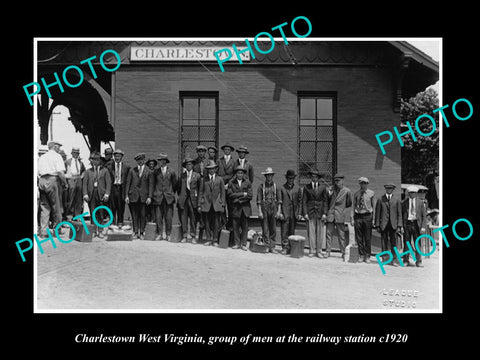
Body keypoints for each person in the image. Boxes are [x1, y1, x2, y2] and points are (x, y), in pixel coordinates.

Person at [37, 140, 67, 237]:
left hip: (42, 180)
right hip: (52, 180)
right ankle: (57, 229)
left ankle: (43, 231)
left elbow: (37, 171)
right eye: (58, 147)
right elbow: (61, 173)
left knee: (44, 208)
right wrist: (65, 183)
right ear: (55, 147)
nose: (59, 149)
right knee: (56, 207)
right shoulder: (57, 156)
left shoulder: (42, 157)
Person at [82, 151, 111, 238]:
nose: (95, 161)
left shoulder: (105, 171)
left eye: (97, 160)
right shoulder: (88, 171)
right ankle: (94, 230)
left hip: (101, 194)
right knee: (93, 213)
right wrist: (85, 194)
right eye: (94, 160)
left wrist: (107, 194)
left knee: (101, 213)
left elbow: (108, 183)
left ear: (100, 161)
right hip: (92, 194)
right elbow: (84, 184)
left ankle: (101, 230)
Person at [125, 153, 153, 239]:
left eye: (141, 160)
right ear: (136, 161)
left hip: (144, 197)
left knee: (143, 215)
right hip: (133, 196)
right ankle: (135, 231)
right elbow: (128, 183)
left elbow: (150, 185)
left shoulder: (148, 171)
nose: (140, 162)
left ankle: (141, 232)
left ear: (144, 160)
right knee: (134, 215)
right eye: (138, 160)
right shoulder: (132, 170)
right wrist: (126, 196)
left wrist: (149, 197)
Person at [302, 169, 329, 258]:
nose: (314, 178)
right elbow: (304, 201)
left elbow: (325, 201)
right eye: (312, 177)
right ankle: (312, 250)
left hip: (320, 213)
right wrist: (305, 213)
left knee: (320, 232)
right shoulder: (306, 187)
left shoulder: (323, 187)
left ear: (318, 178)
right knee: (311, 232)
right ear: (311, 177)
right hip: (310, 212)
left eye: (316, 177)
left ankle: (319, 251)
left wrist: (325, 213)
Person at [198, 160, 226, 246]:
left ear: (216, 169)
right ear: (207, 170)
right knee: (206, 222)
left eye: (213, 169)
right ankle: (208, 239)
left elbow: (222, 192)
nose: (211, 170)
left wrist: (223, 204)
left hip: (216, 204)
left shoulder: (220, 179)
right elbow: (201, 192)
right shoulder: (204, 180)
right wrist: (199, 204)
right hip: (206, 204)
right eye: (210, 169)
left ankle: (215, 239)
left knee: (216, 222)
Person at [325, 173, 353, 259]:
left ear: (342, 181)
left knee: (341, 235)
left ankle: (343, 252)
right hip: (331, 215)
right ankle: (328, 251)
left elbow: (349, 203)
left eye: (339, 181)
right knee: (328, 234)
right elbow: (326, 201)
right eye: (336, 181)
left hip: (340, 215)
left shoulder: (347, 191)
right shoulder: (330, 190)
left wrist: (341, 210)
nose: (337, 183)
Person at [375, 183, 402, 267]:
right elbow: (377, 213)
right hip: (384, 224)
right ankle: (385, 259)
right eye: (387, 189)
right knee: (384, 242)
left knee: (394, 243)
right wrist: (377, 225)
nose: (389, 190)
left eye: (390, 189)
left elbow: (399, 213)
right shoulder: (380, 199)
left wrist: (399, 225)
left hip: (393, 224)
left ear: (393, 190)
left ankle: (394, 260)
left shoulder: (396, 200)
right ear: (385, 189)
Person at [152, 153, 177, 241]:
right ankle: (159, 234)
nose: (159, 162)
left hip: (168, 198)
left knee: (169, 217)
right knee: (158, 217)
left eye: (160, 160)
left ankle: (168, 234)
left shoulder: (172, 172)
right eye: (158, 161)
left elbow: (174, 185)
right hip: (158, 197)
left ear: (164, 161)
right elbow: (153, 184)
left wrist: (170, 193)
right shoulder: (156, 172)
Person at [257, 167, 282, 254]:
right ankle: (266, 246)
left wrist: (279, 211)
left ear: (272, 176)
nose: (269, 177)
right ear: (265, 176)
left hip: (273, 207)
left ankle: (272, 246)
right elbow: (259, 201)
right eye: (267, 175)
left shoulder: (276, 186)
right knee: (265, 227)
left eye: (270, 175)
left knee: (273, 228)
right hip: (264, 207)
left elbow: (279, 201)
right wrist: (259, 211)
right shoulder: (261, 186)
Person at [227, 165, 252, 250]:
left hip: (245, 208)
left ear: (244, 174)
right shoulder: (231, 182)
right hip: (235, 209)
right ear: (236, 173)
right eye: (238, 173)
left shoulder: (247, 182)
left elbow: (250, 195)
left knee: (245, 226)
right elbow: (230, 194)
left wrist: (239, 200)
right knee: (235, 226)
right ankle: (237, 243)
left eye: (241, 173)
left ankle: (243, 244)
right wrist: (242, 194)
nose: (240, 174)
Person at [401, 186, 426, 268]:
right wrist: (401, 226)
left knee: (417, 243)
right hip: (407, 224)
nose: (412, 194)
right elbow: (401, 215)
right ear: (408, 193)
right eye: (410, 193)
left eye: (413, 193)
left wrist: (423, 227)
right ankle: (405, 260)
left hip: (416, 224)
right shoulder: (404, 202)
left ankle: (418, 261)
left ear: (416, 193)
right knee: (406, 243)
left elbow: (423, 216)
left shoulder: (421, 202)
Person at [352, 177, 376, 263]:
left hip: (367, 216)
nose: (363, 185)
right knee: (359, 237)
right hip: (358, 216)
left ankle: (367, 255)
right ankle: (361, 255)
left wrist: (374, 219)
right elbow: (353, 206)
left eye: (365, 183)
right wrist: (352, 217)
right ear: (360, 184)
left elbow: (374, 206)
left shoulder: (371, 193)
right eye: (361, 183)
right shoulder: (356, 194)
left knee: (367, 237)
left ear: (367, 184)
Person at [177, 157, 201, 242]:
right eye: (187, 164)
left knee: (193, 218)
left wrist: (198, 202)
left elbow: (199, 189)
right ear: (185, 166)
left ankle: (193, 235)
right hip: (184, 200)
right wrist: (180, 197)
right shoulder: (182, 176)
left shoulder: (197, 175)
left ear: (193, 165)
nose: (188, 166)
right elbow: (178, 188)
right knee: (184, 218)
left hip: (193, 199)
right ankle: (184, 235)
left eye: (190, 164)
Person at [279, 169, 302, 255]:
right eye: (289, 178)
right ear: (286, 178)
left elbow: (300, 201)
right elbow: (279, 201)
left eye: (292, 178)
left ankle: (291, 247)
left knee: (292, 231)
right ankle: (284, 247)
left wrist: (299, 213)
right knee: (284, 230)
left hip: (294, 212)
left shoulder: (297, 188)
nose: (290, 180)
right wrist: (280, 212)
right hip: (285, 212)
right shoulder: (282, 188)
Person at [107, 149, 130, 228]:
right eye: (115, 156)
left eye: (119, 156)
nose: (117, 158)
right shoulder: (109, 166)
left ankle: (120, 222)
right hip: (113, 188)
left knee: (121, 206)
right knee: (112, 206)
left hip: (121, 188)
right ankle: (112, 222)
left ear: (122, 157)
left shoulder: (126, 167)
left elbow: (127, 180)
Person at [218, 142, 236, 232]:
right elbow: (217, 174)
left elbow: (235, 175)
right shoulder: (219, 160)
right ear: (223, 150)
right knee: (222, 207)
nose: (227, 151)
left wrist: (229, 184)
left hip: (229, 187)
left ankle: (230, 227)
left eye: (228, 149)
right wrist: (221, 184)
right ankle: (223, 224)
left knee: (231, 207)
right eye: (225, 149)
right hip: (221, 188)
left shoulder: (234, 162)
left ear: (231, 151)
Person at [64, 147, 86, 218]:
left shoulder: (80, 162)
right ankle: (69, 215)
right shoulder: (67, 162)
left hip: (78, 179)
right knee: (70, 198)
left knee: (79, 198)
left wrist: (81, 176)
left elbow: (84, 171)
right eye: (74, 153)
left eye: (77, 153)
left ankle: (77, 215)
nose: (76, 154)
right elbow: (63, 172)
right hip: (71, 179)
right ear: (72, 153)